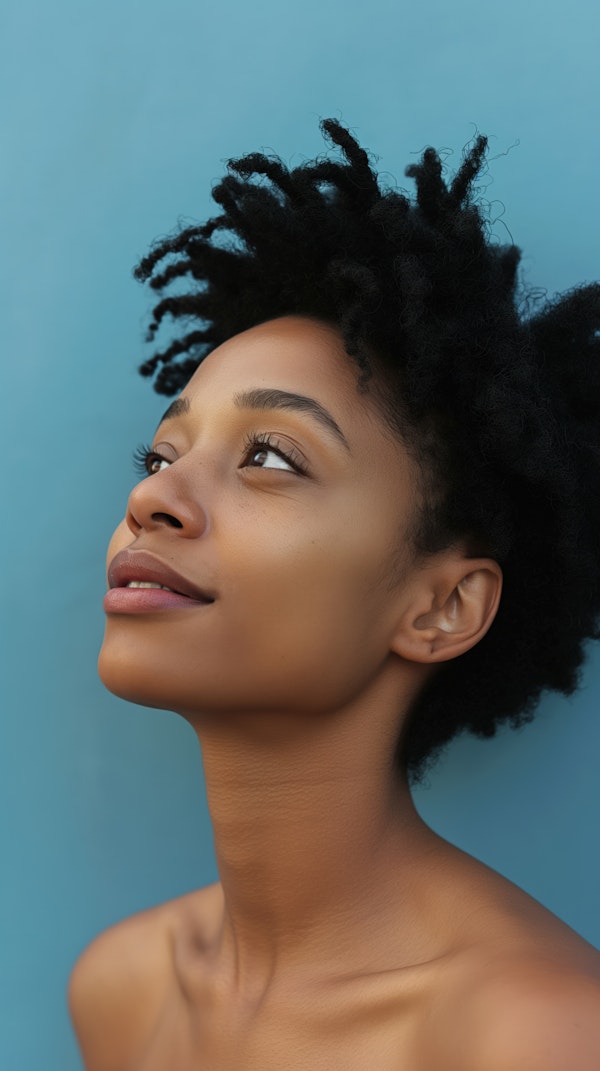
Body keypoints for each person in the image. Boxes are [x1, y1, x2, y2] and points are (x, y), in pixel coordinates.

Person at [69, 120, 600, 1069]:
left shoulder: (538, 1035)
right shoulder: (121, 989)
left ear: (443, 608)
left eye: (270, 456)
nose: (151, 498)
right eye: (161, 454)